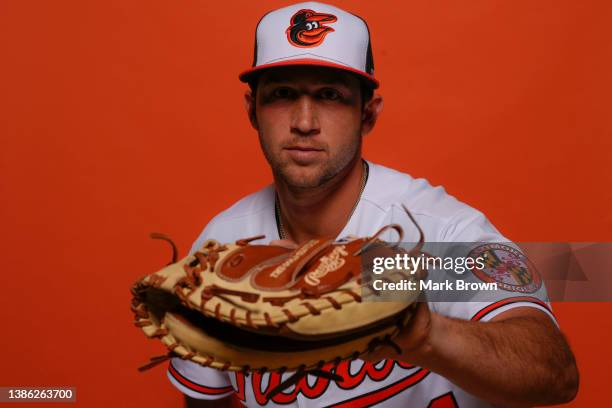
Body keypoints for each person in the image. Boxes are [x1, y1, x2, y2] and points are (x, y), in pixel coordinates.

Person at [168, 2, 578, 406]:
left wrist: (424, 335)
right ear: (252, 111)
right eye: (282, 94)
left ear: (368, 114)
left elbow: (555, 373)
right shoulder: (220, 248)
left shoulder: (436, 240)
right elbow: (206, 399)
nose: (305, 122)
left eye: (330, 95)